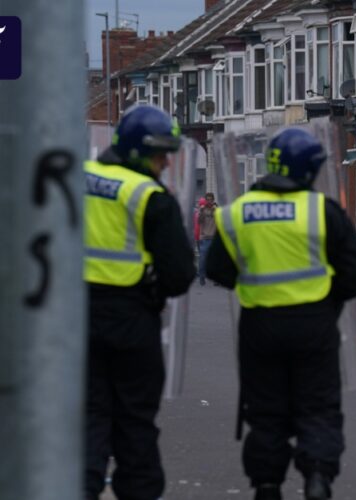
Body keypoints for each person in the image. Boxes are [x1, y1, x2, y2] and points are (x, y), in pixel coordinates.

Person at [206, 128, 356, 500]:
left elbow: (217, 269)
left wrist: (252, 282)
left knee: (266, 411)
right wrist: (328, 299)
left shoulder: (237, 214)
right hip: (314, 324)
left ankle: (267, 485)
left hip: (259, 327)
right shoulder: (321, 211)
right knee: (318, 406)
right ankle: (317, 477)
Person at [84, 104, 196, 500]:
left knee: (87, 422)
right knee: (134, 425)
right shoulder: (149, 196)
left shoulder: (75, 177)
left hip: (73, 319)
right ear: (137, 151)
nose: (166, 163)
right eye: (160, 154)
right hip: (131, 320)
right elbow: (181, 273)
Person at [197, 191, 218, 285]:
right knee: (202, 259)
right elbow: (199, 221)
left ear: (213, 200)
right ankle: (202, 277)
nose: (209, 201)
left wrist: (216, 211)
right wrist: (201, 211)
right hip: (205, 238)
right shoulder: (203, 209)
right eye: (207, 200)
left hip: (214, 238)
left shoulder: (217, 209)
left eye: (211, 200)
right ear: (205, 200)